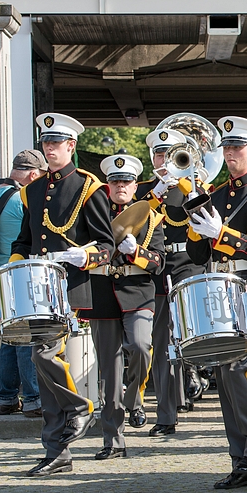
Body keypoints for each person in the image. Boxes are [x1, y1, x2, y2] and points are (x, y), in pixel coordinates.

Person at [10, 112, 115, 477]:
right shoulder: (33, 190)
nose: (49, 148)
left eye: (56, 143)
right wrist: (14, 267)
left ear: (72, 146)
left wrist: (84, 255)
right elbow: (24, 241)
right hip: (37, 285)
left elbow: (107, 245)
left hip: (69, 284)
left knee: (43, 354)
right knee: (42, 367)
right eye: (46, 143)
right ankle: (57, 450)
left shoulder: (90, 187)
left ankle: (80, 407)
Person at [186, 116, 247, 489]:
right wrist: (195, 222)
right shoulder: (215, 193)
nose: (230, 154)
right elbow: (197, 253)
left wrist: (222, 233)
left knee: (236, 369)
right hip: (217, 285)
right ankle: (239, 454)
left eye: (237, 148)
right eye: (227, 148)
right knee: (224, 374)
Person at [81, 154, 165, 460]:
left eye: (126, 182)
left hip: (138, 291)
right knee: (110, 370)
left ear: (134, 186)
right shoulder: (93, 213)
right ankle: (113, 440)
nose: (121, 187)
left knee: (142, 346)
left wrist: (138, 252)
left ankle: (136, 397)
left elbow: (158, 262)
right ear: (108, 184)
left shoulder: (152, 217)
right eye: (115, 181)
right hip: (102, 292)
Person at [140, 127, 208, 435]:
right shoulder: (143, 189)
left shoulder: (194, 184)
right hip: (155, 266)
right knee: (161, 339)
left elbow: (208, 224)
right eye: (158, 154)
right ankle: (166, 414)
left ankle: (194, 377)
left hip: (188, 263)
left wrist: (189, 186)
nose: (163, 159)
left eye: (169, 154)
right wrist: (155, 194)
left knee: (188, 333)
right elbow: (132, 222)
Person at [0, 149, 45, 418]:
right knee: (26, 338)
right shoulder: (21, 199)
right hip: (20, 273)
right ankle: (33, 399)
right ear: (33, 175)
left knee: (7, 340)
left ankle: (5, 398)